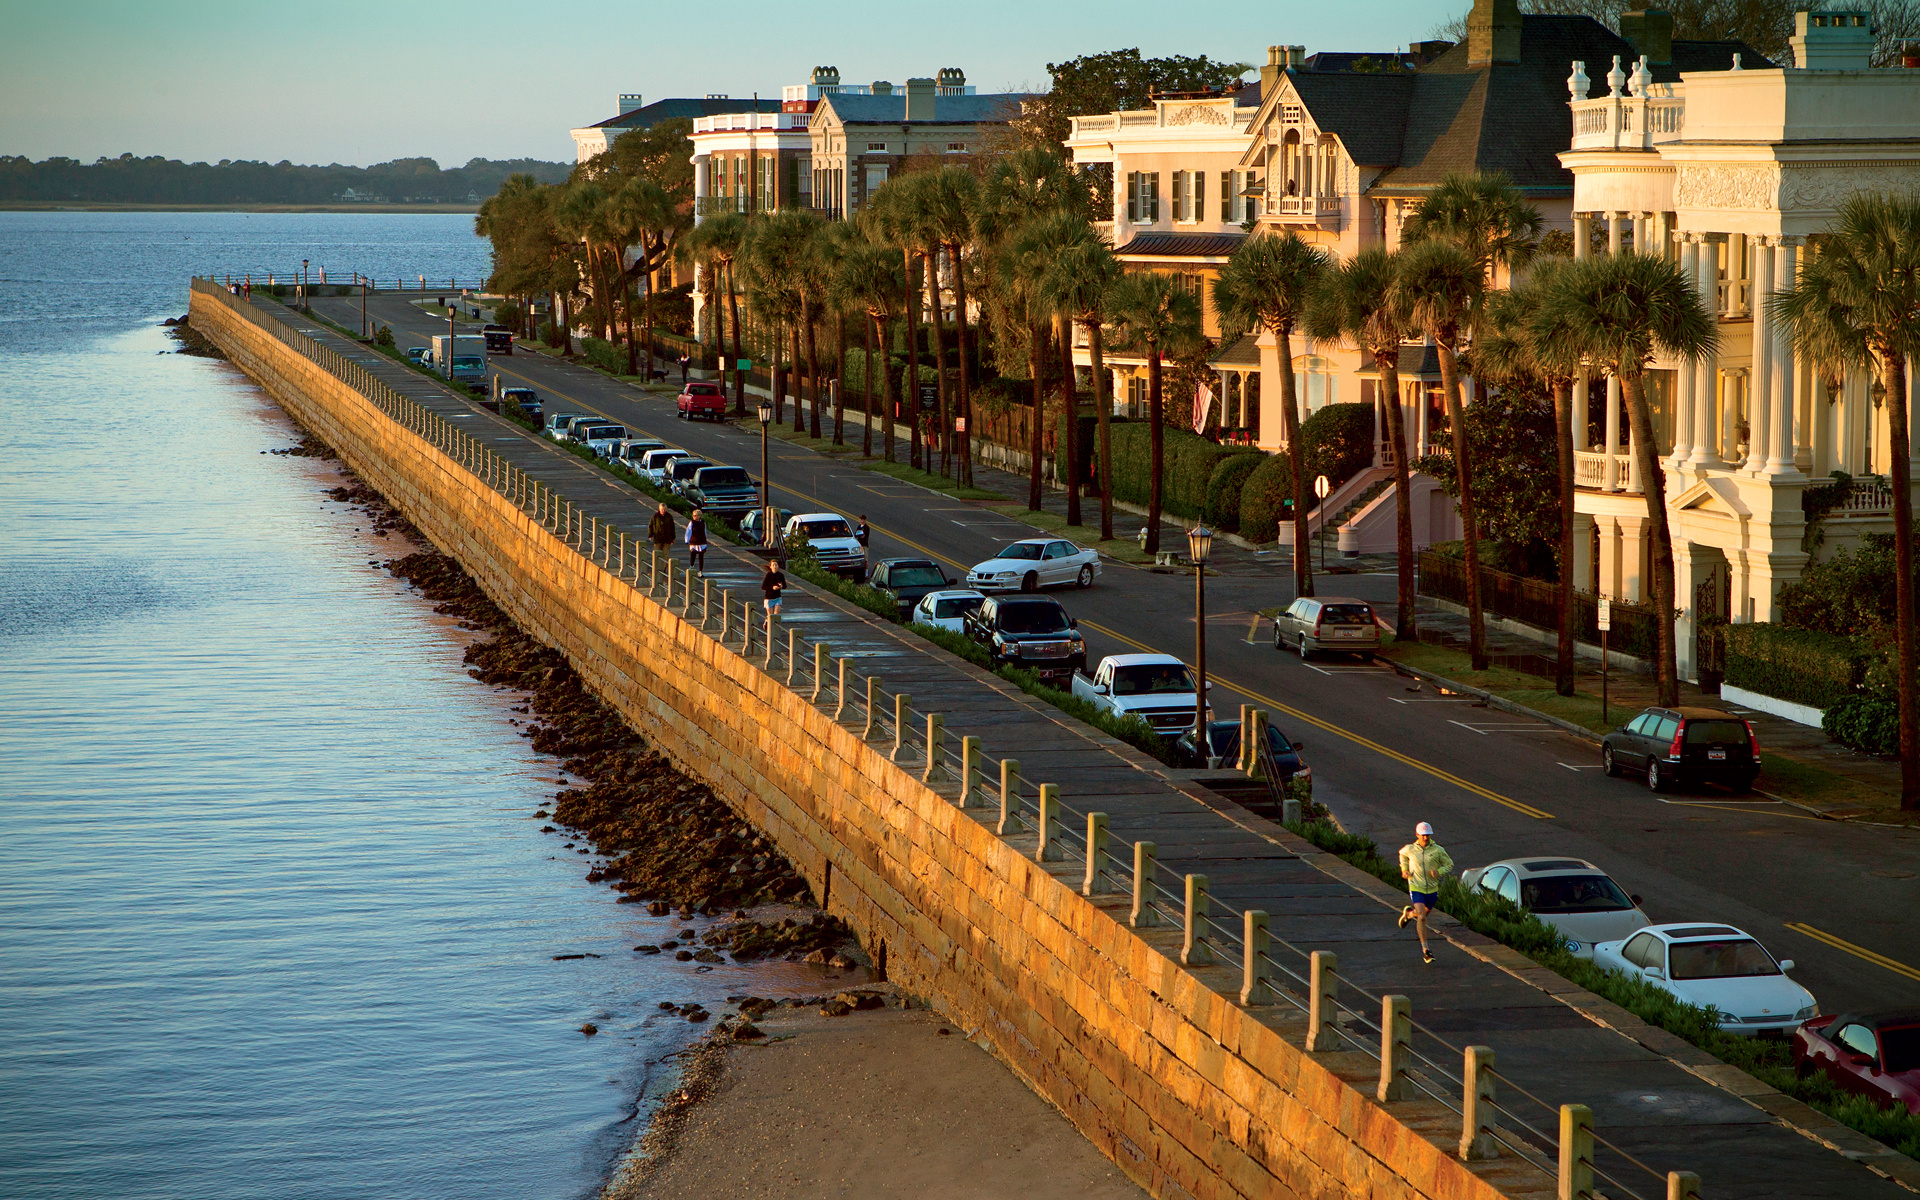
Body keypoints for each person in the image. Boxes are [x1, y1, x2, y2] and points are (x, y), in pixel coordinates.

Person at [1397, 821, 1453, 965]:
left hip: (1432, 889)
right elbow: (1402, 855)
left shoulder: (1438, 850)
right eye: (1423, 835)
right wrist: (1404, 869)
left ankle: (1409, 914)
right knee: (1422, 917)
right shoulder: (1410, 849)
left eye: (1428, 835)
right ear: (1417, 835)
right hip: (1416, 886)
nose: (1425, 838)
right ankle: (1426, 951)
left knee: (1422, 915)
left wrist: (1439, 872)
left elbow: (1449, 864)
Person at [647, 502, 675, 568]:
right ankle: (656, 568)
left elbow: (672, 528)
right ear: (659, 509)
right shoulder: (655, 517)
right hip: (658, 539)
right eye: (662, 509)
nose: (663, 511)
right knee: (657, 554)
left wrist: (673, 538)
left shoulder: (669, 517)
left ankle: (663, 569)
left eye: (664, 509)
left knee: (665, 554)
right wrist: (650, 535)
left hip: (667, 539)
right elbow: (650, 526)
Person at [685, 507, 708, 575]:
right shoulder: (691, 523)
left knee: (701, 557)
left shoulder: (703, 523)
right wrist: (687, 540)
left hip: (701, 542)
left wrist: (705, 539)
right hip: (694, 542)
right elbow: (688, 531)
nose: (694, 517)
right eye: (693, 515)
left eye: (695, 515)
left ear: (699, 516)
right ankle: (691, 566)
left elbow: (705, 531)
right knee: (693, 554)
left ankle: (700, 571)